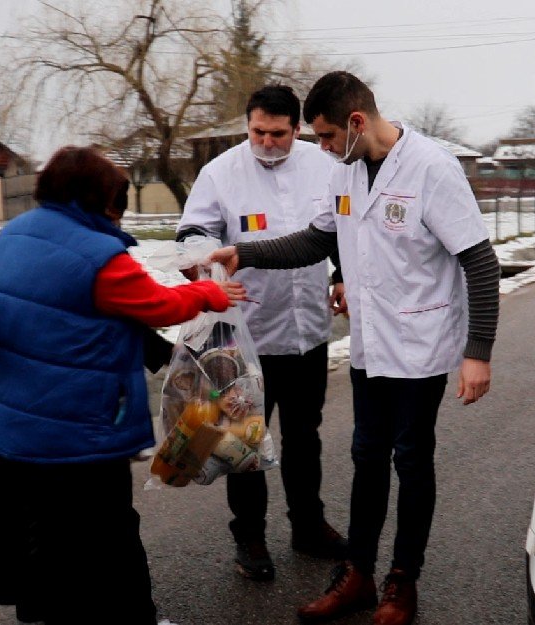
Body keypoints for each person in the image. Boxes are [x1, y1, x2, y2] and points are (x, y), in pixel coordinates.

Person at [207, 71, 500, 625]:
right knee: (367, 458)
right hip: (371, 343)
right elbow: (319, 238)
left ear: (356, 123)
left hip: (420, 343)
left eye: (323, 136)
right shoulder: (345, 172)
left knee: (411, 461)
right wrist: (243, 254)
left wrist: (477, 350)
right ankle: (359, 574)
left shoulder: (432, 169)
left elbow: (479, 261)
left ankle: (402, 581)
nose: (317, 147)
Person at [0, 145, 244, 625]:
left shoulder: (15, 235)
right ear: (94, 199)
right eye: (114, 204)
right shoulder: (99, 256)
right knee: (110, 532)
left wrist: (171, 360)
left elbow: (90, 320)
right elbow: (156, 306)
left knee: (45, 536)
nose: (117, 216)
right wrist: (209, 292)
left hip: (18, 423)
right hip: (78, 426)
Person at [175, 84, 348, 582]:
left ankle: (308, 527)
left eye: (278, 134)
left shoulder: (326, 165)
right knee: (239, 442)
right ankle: (249, 537)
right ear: (247, 125)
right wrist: (205, 265)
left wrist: (342, 274)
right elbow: (193, 233)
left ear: (298, 129)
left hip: (306, 333)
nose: (267, 142)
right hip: (242, 334)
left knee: (303, 437)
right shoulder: (220, 172)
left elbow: (339, 230)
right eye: (258, 132)